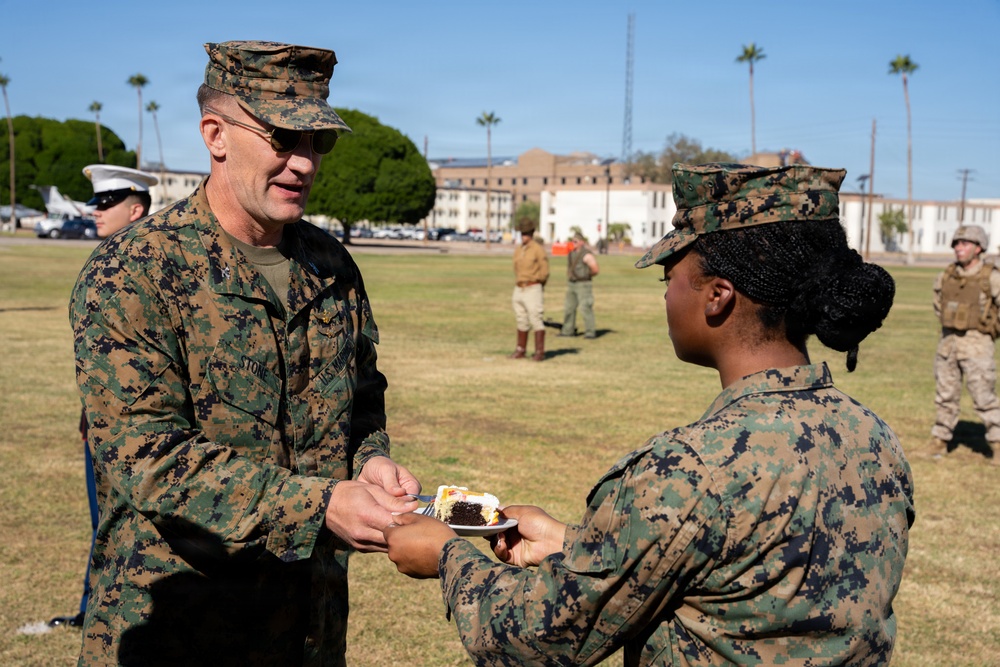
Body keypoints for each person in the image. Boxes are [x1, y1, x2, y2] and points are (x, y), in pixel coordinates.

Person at [384, 163, 915, 666]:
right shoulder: (873, 437)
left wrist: (447, 557)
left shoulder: (691, 468)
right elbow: (733, 572)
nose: (666, 297)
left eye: (669, 278)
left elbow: (536, 638)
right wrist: (573, 544)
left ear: (717, 296)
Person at [69, 40, 421, 665]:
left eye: (318, 141)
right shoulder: (135, 271)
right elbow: (147, 457)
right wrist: (319, 504)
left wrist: (369, 460)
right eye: (282, 138)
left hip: (308, 623)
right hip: (179, 628)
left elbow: (363, 396)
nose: (304, 163)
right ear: (216, 135)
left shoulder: (330, 264)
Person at [48, 165, 158, 630]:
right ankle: (92, 610)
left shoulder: (153, 264)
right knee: (105, 522)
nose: (96, 212)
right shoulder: (107, 260)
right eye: (96, 203)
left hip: (144, 426)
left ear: (136, 209)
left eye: (107, 204)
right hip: (103, 422)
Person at [928, 224, 1000, 464]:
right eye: (956, 244)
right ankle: (940, 440)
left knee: (984, 396)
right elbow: (938, 303)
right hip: (948, 343)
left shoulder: (991, 277)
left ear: (979, 248)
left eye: (965, 243)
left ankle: (998, 443)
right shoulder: (947, 275)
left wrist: (990, 329)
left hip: (977, 344)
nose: (959, 248)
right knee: (945, 395)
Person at [510, 219, 550, 361]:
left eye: (526, 233)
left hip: (533, 286)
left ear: (531, 234)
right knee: (521, 319)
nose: (523, 236)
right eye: (522, 233)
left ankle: (539, 352)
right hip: (519, 287)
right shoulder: (519, 249)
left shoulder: (537, 249)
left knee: (535, 319)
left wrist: (538, 284)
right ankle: (520, 349)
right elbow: (516, 267)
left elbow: (544, 271)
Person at [559, 231, 600, 339]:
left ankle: (590, 332)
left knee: (585, 307)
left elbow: (595, 269)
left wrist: (586, 275)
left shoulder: (587, 255)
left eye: (576, 241)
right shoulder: (571, 253)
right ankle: (568, 331)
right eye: (573, 241)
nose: (574, 243)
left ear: (582, 242)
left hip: (583, 284)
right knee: (569, 308)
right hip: (572, 284)